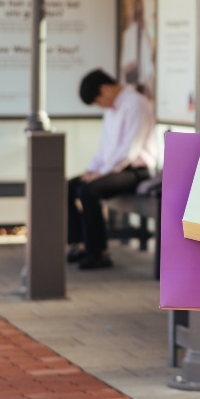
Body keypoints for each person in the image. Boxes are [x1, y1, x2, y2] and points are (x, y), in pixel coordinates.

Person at [66, 68, 161, 270]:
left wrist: (100, 175)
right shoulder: (112, 109)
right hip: (114, 169)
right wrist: (90, 171)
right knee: (70, 187)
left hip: (134, 172)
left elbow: (129, 150)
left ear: (105, 88)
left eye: (97, 100)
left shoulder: (136, 103)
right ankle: (81, 243)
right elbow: (104, 149)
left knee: (89, 191)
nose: (100, 105)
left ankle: (98, 252)